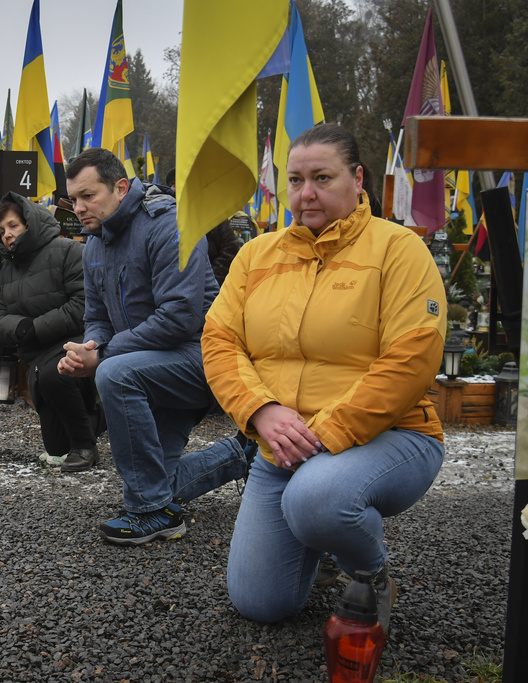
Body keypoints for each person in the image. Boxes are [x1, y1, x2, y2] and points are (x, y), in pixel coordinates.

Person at [204, 124, 446, 634]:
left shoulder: (398, 250)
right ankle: (324, 533)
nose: (305, 192)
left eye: (321, 177)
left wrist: (324, 436)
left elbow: (412, 358)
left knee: (316, 498)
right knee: (259, 603)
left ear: (358, 179)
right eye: (295, 179)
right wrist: (261, 412)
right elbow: (220, 340)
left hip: (392, 437)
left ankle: (368, 569)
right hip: (282, 449)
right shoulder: (256, 255)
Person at [58, 148, 250, 545]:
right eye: (74, 198)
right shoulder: (94, 244)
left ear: (121, 187)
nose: (78, 207)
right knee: (156, 480)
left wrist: (103, 356)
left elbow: (179, 318)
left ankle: (150, 514)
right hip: (149, 367)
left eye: (88, 196)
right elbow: (97, 316)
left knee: (114, 373)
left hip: (203, 359)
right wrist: (88, 346)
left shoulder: (168, 225)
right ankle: (244, 454)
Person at [0, 193, 100, 472]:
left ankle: (85, 447)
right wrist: (21, 328)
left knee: (56, 373)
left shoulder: (67, 250)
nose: (7, 235)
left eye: (13, 226)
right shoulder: (7, 268)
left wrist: (34, 327)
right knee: (56, 447)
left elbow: (82, 304)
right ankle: (108, 415)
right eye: (2, 230)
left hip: (73, 345)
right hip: (35, 357)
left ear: (30, 223)